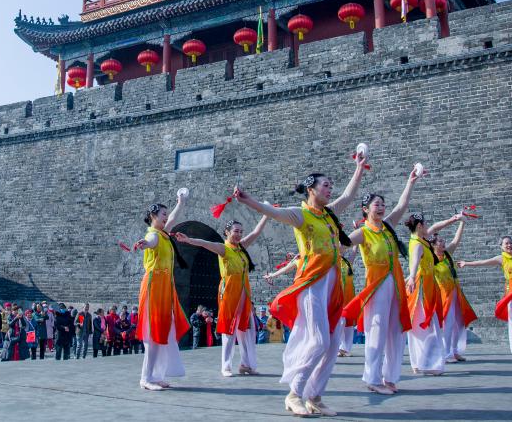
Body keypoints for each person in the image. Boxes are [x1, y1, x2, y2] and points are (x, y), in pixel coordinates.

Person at [234, 154, 368, 417]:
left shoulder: (329, 214)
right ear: (311, 189)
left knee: (333, 344)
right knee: (319, 341)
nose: (330, 189)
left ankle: (315, 396)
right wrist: (248, 200)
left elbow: (348, 196)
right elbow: (273, 213)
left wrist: (359, 168)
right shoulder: (301, 215)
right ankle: (294, 394)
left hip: (333, 286)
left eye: (330, 185)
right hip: (311, 284)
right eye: (325, 185)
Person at [342, 166, 423, 396]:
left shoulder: (387, 227)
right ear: (365, 209)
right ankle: (373, 378)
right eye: (376, 205)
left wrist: (411, 182)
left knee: (396, 332)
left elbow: (401, 207)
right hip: (376, 287)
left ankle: (390, 377)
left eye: (382, 204)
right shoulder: (363, 232)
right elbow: (341, 245)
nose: (381, 208)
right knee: (376, 332)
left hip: (395, 284)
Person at [175, 215, 269, 376]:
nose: (239, 234)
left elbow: (255, 232)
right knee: (229, 330)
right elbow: (205, 243)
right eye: (236, 231)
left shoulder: (241, 248)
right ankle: (226, 366)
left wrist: (266, 214)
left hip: (244, 292)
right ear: (227, 232)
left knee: (246, 329)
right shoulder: (223, 248)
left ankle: (245, 364)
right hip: (229, 292)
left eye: (241, 231)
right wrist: (188, 240)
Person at [132, 187, 192, 391]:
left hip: (166, 286)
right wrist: (145, 243)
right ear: (153, 216)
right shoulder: (154, 235)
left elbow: (173, 218)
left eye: (166, 214)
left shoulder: (163, 234)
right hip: (154, 286)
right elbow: (150, 241)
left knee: (164, 331)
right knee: (152, 332)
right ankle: (145, 378)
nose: (166, 217)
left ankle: (156, 376)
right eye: (163, 214)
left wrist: (180, 202)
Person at [458, 214, 512, 357]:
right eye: (506, 244)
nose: (509, 245)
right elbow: (483, 262)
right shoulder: (501, 258)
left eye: (510, 243)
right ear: (501, 246)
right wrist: (466, 263)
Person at [403, 213, 459, 376]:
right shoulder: (418, 244)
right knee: (426, 325)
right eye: (425, 224)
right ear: (419, 226)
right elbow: (414, 261)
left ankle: (419, 363)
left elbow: (436, 227)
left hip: (426, 285)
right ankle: (428, 364)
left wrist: (452, 220)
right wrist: (411, 277)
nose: (428, 226)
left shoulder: (422, 240)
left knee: (421, 325)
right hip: (420, 287)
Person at [432, 215, 477, 363]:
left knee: (460, 323)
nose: (443, 244)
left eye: (444, 242)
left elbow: (456, 240)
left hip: (456, 292)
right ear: (433, 245)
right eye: (440, 242)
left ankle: (455, 350)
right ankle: (445, 353)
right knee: (448, 324)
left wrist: (462, 223)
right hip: (444, 295)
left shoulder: (447, 255)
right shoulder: (431, 260)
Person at [337, 250, 356, 357]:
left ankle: (346, 349)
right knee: (340, 322)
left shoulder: (347, 263)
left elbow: (353, 253)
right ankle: (340, 347)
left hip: (349, 298)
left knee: (349, 324)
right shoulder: (331, 262)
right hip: (338, 299)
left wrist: (357, 245)